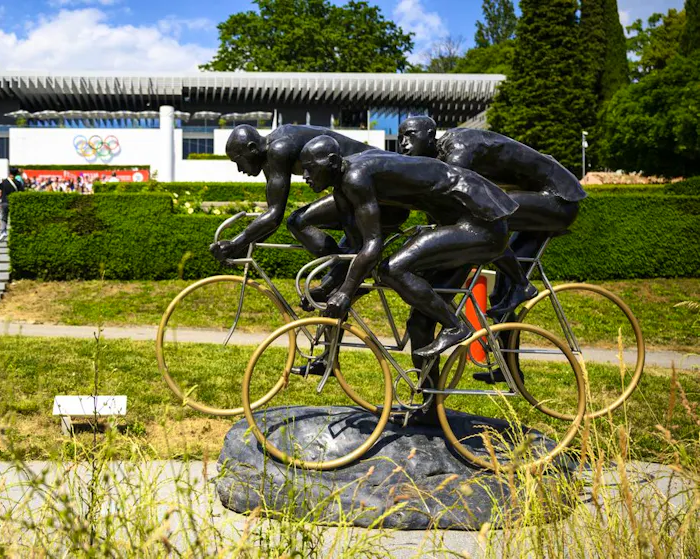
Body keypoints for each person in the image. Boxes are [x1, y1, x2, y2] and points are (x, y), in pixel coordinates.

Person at [300, 136, 521, 423]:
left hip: (480, 223)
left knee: (393, 269)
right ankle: (430, 409)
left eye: (309, 168)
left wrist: (344, 293)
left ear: (330, 163)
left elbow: (373, 247)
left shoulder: (356, 177)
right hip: (460, 221)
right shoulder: (345, 183)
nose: (304, 175)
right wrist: (331, 288)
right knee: (420, 324)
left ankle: (456, 326)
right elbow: (356, 248)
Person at [398, 116, 587, 318]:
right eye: (400, 138)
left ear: (430, 136)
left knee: (486, 217)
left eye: (410, 135)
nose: (403, 144)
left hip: (559, 197)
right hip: (540, 196)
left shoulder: (458, 150)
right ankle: (510, 314)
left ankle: (521, 284)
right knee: (499, 291)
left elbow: (456, 207)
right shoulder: (441, 158)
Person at [210, 124, 409, 303]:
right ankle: (344, 273)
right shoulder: (271, 154)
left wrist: (236, 243)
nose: (239, 169)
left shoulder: (278, 149)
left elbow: (274, 216)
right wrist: (241, 244)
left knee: (298, 222)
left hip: (374, 191)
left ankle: (350, 271)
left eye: (239, 160)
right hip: (360, 190)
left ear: (253, 149)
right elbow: (272, 218)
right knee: (301, 228)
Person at [0, 167, 24, 241]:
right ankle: (14, 231)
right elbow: (22, 192)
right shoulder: (18, 183)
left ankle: (3, 231)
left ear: (9, 173)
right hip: (13, 202)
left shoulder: (4, 182)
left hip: (4, 202)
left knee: (4, 218)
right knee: (13, 218)